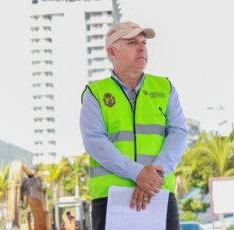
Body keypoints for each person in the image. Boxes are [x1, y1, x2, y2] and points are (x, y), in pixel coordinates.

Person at [80, 21, 187, 230]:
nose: (142, 48)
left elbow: (179, 133)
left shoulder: (165, 88)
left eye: (143, 42)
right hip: (111, 198)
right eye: (132, 42)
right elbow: (95, 142)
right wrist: (138, 174)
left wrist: (152, 178)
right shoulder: (95, 93)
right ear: (112, 51)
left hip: (158, 194)